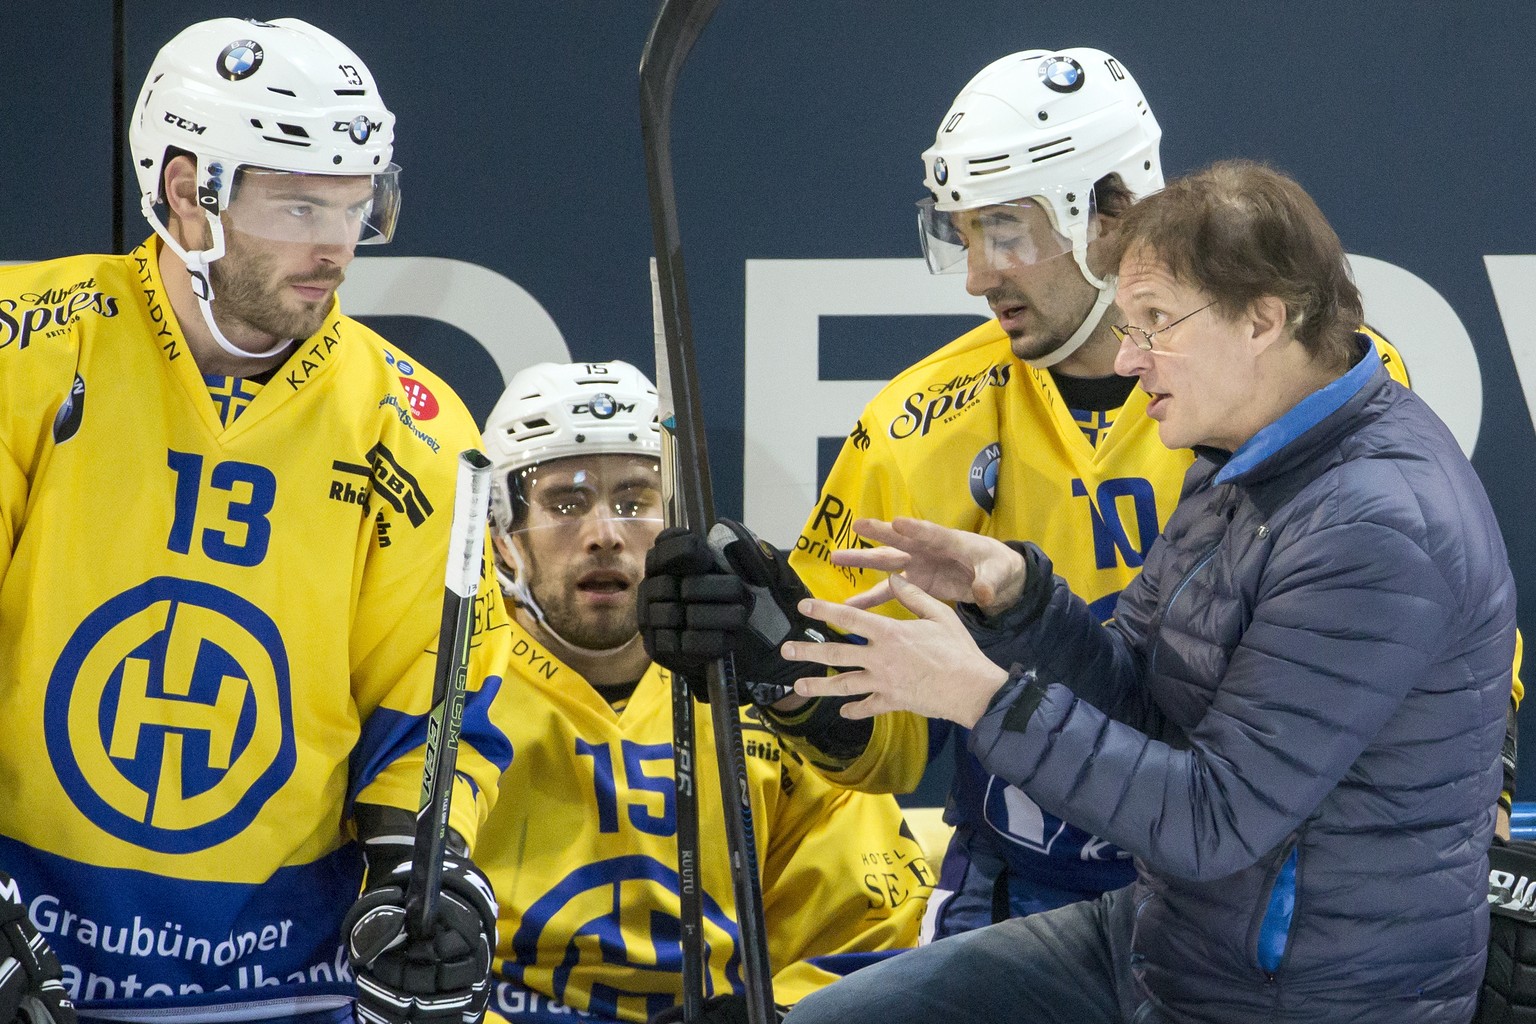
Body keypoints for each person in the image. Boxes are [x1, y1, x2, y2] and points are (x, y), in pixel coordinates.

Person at [774, 159, 1515, 1023]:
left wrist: (975, 694)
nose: (1128, 360)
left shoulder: (1378, 526)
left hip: (1297, 994)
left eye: (1155, 323)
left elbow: (1213, 820)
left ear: (1263, 321)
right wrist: (1015, 601)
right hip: (1177, 940)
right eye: (1128, 325)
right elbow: (1141, 693)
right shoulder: (1244, 458)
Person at [0, 18, 513, 1024]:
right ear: (187, 191)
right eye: (300, 204)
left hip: (280, 985)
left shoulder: (415, 424)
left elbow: (431, 703)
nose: (336, 248)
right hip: (33, 960)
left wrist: (426, 883)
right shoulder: (25, 349)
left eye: (359, 205)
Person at [474, 362, 932, 1024]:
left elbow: (874, 932)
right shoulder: (440, 693)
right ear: (500, 531)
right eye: (565, 504)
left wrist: (775, 1017)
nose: (604, 533)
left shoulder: (762, 689)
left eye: (634, 501)